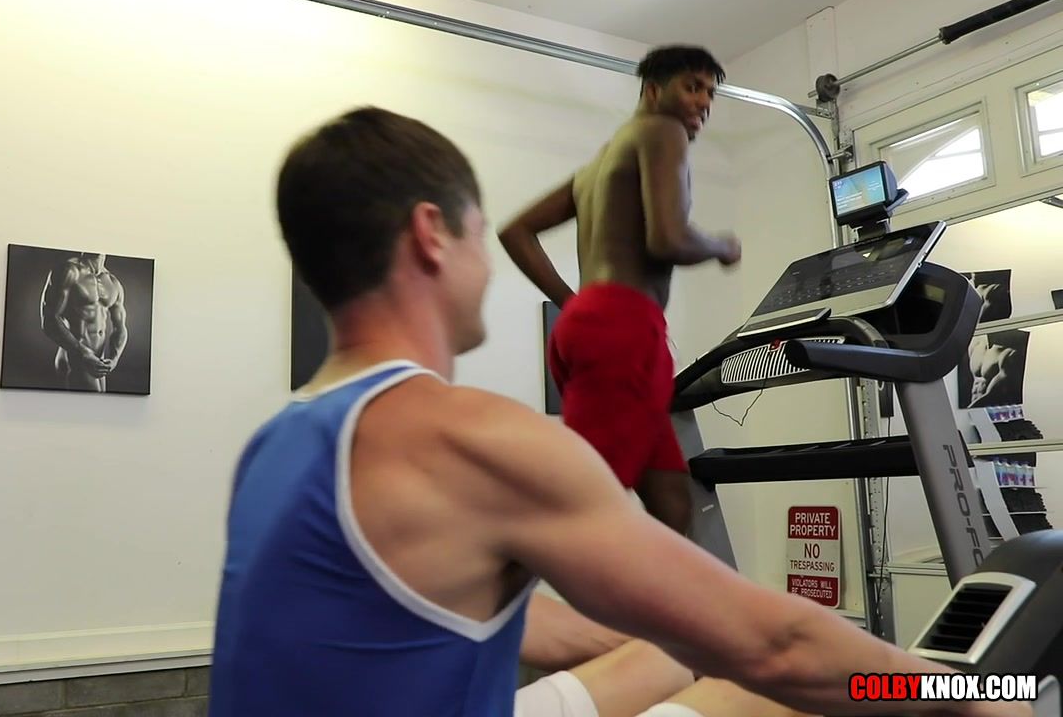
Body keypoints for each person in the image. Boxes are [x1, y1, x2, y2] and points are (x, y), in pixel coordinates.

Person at [208, 106, 1030, 717]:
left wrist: (687, 640)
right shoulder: (473, 439)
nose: (488, 266)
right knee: (771, 694)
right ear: (431, 235)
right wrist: (966, 694)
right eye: (479, 237)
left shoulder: (272, 444)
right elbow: (779, 647)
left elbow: (478, 615)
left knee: (686, 662)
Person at [497, 45, 741, 534]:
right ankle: (492, 577)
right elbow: (667, 238)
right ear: (653, 91)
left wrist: (574, 306)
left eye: (710, 93)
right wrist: (722, 245)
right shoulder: (664, 131)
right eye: (692, 87)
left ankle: (666, 589)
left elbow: (515, 232)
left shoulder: (597, 166)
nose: (703, 102)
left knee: (672, 503)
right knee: (580, 507)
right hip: (623, 327)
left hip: (594, 323)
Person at [39, 252, 128, 392]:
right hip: (75, 358)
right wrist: (83, 353)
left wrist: (114, 359)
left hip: (98, 362)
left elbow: (120, 328)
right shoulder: (69, 271)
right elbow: (49, 320)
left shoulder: (113, 282)